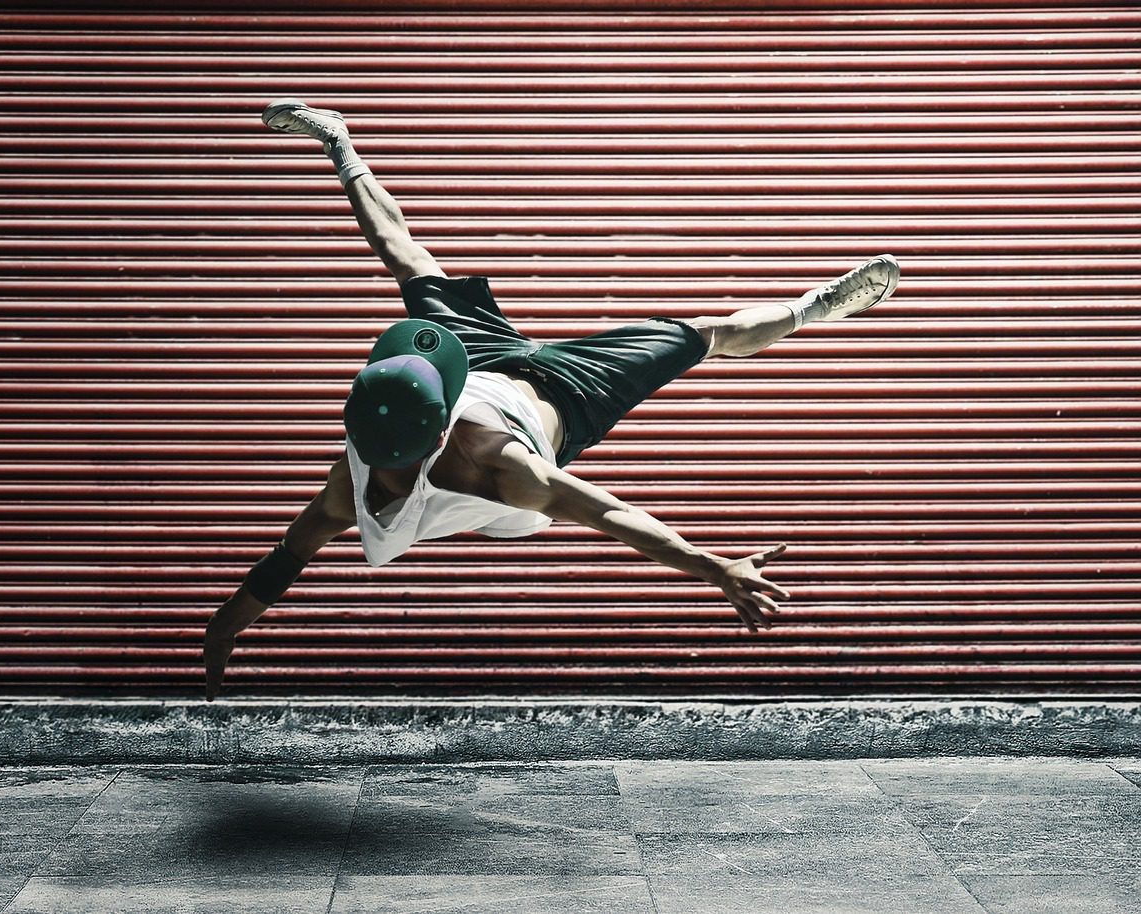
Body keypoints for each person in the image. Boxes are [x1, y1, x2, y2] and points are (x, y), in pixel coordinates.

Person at [203, 99, 901, 700]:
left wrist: (224, 628)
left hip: (482, 359)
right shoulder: (504, 467)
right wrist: (712, 566)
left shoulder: (351, 474)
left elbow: (283, 562)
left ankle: (338, 140)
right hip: (568, 392)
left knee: (407, 259)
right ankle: (807, 312)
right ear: (438, 423)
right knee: (704, 336)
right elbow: (614, 515)